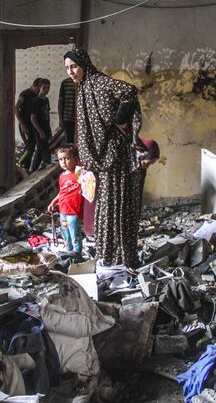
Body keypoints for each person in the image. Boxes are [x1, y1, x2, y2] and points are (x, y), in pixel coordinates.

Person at [65, 48, 142, 268]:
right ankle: (109, 253)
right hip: (103, 159)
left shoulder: (98, 82)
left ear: (84, 65)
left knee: (116, 203)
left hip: (114, 155)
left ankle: (119, 255)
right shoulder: (85, 88)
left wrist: (119, 119)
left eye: (74, 66)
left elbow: (129, 91)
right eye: (67, 68)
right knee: (107, 205)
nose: (71, 72)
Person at [47, 145, 84, 253]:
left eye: (67, 158)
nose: (63, 162)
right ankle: (68, 254)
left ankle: (77, 255)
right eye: (61, 159)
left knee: (75, 234)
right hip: (63, 210)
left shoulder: (79, 173)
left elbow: (88, 187)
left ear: (75, 159)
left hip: (74, 211)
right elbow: (62, 192)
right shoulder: (62, 176)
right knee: (66, 235)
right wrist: (53, 202)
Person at [16, 78, 41, 170]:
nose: (39, 92)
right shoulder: (25, 94)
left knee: (33, 146)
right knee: (29, 147)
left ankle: (26, 168)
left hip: (32, 125)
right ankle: (19, 164)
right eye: (38, 89)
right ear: (34, 86)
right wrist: (22, 124)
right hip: (25, 125)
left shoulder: (37, 95)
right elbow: (16, 108)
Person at [133, 136, 161, 221]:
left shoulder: (141, 168)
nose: (147, 167)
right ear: (141, 155)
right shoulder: (126, 167)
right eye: (147, 163)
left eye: (150, 164)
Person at [30, 78, 52, 172]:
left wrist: (48, 129)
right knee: (45, 150)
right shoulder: (36, 101)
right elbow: (33, 119)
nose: (46, 90)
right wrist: (40, 131)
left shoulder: (46, 100)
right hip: (39, 130)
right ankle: (47, 166)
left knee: (39, 150)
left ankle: (33, 170)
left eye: (48, 88)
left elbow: (47, 115)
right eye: (44, 87)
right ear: (39, 88)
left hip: (46, 128)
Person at [58, 76, 76, 144]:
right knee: (69, 141)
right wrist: (60, 119)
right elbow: (60, 102)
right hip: (68, 117)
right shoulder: (65, 83)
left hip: (81, 118)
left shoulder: (84, 81)